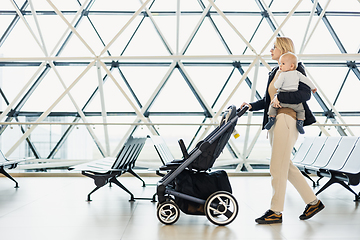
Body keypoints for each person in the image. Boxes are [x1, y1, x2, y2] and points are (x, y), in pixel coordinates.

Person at [241, 36, 324, 224]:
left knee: (276, 166)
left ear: (283, 49)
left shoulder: (295, 68)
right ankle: (313, 202)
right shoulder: (275, 72)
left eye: (274, 47)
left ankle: (275, 211)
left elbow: (305, 94)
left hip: (287, 118)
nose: (271, 51)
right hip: (276, 120)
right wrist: (251, 106)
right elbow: (268, 100)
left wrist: (282, 97)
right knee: (285, 165)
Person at [264, 52, 317, 134]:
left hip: (281, 102)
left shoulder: (282, 74)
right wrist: (313, 88)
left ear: (291, 66)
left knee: (272, 107)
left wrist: (278, 95)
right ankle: (300, 123)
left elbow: (277, 85)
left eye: (283, 63)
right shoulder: (297, 74)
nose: (280, 65)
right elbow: (307, 81)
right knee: (301, 111)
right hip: (295, 103)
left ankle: (271, 119)